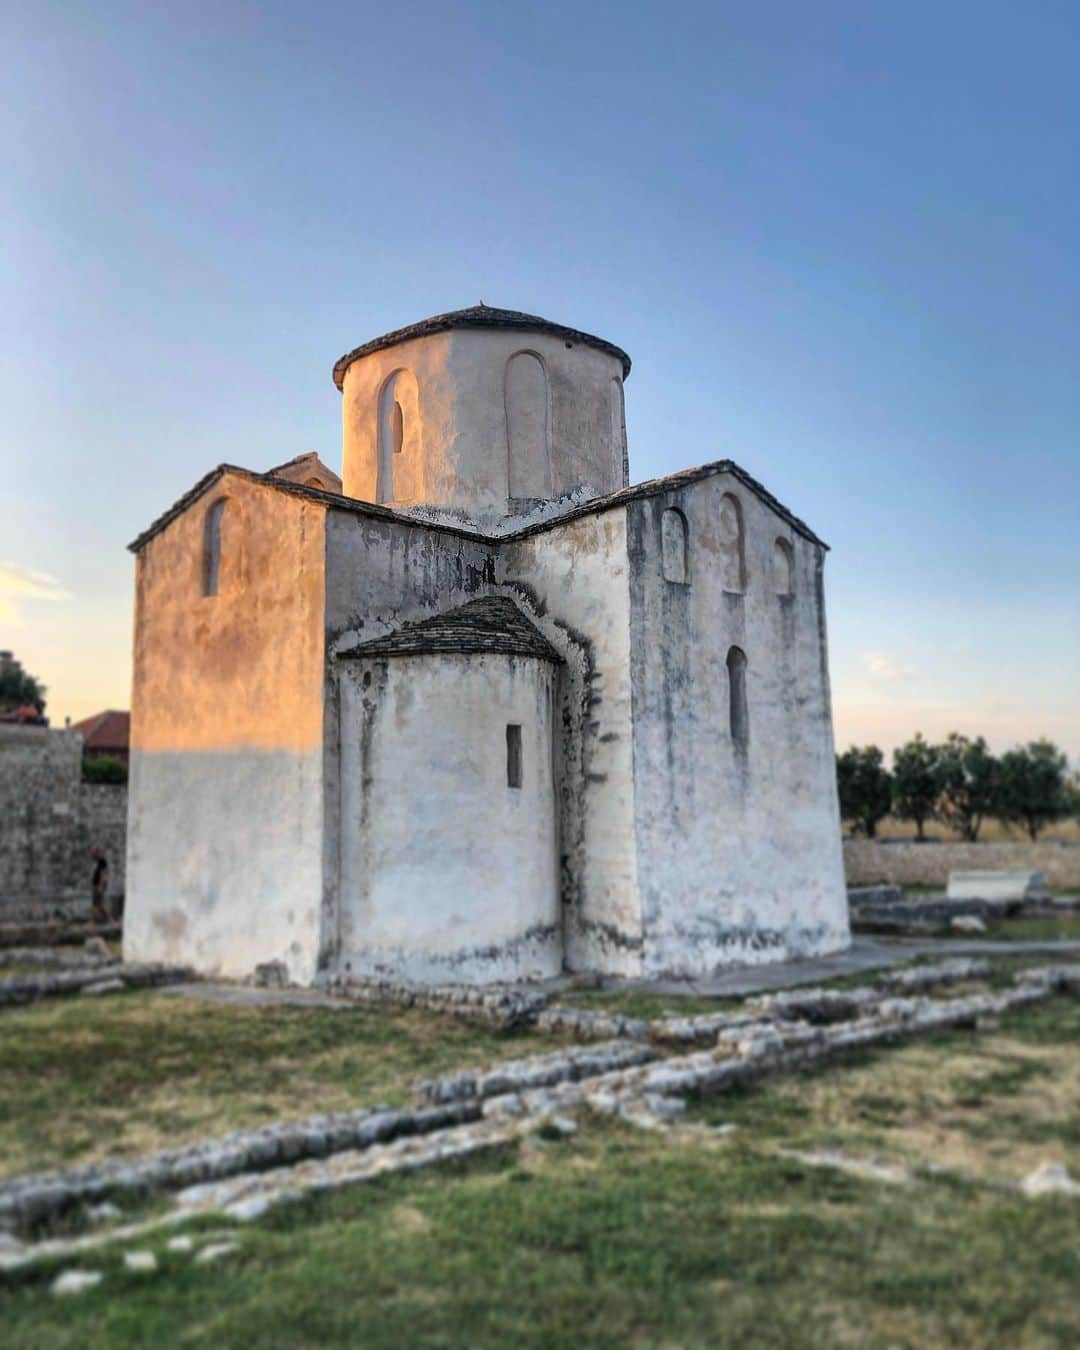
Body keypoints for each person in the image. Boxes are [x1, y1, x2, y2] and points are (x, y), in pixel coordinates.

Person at [90, 848, 109, 925]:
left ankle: (92, 922)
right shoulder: (97, 862)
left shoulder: (102, 861)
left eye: (93, 853)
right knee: (99, 905)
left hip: (98, 886)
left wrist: (101, 886)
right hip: (96, 885)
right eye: (91, 853)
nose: (91, 855)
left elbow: (103, 874)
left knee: (95, 904)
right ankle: (110, 919)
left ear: (97, 853)